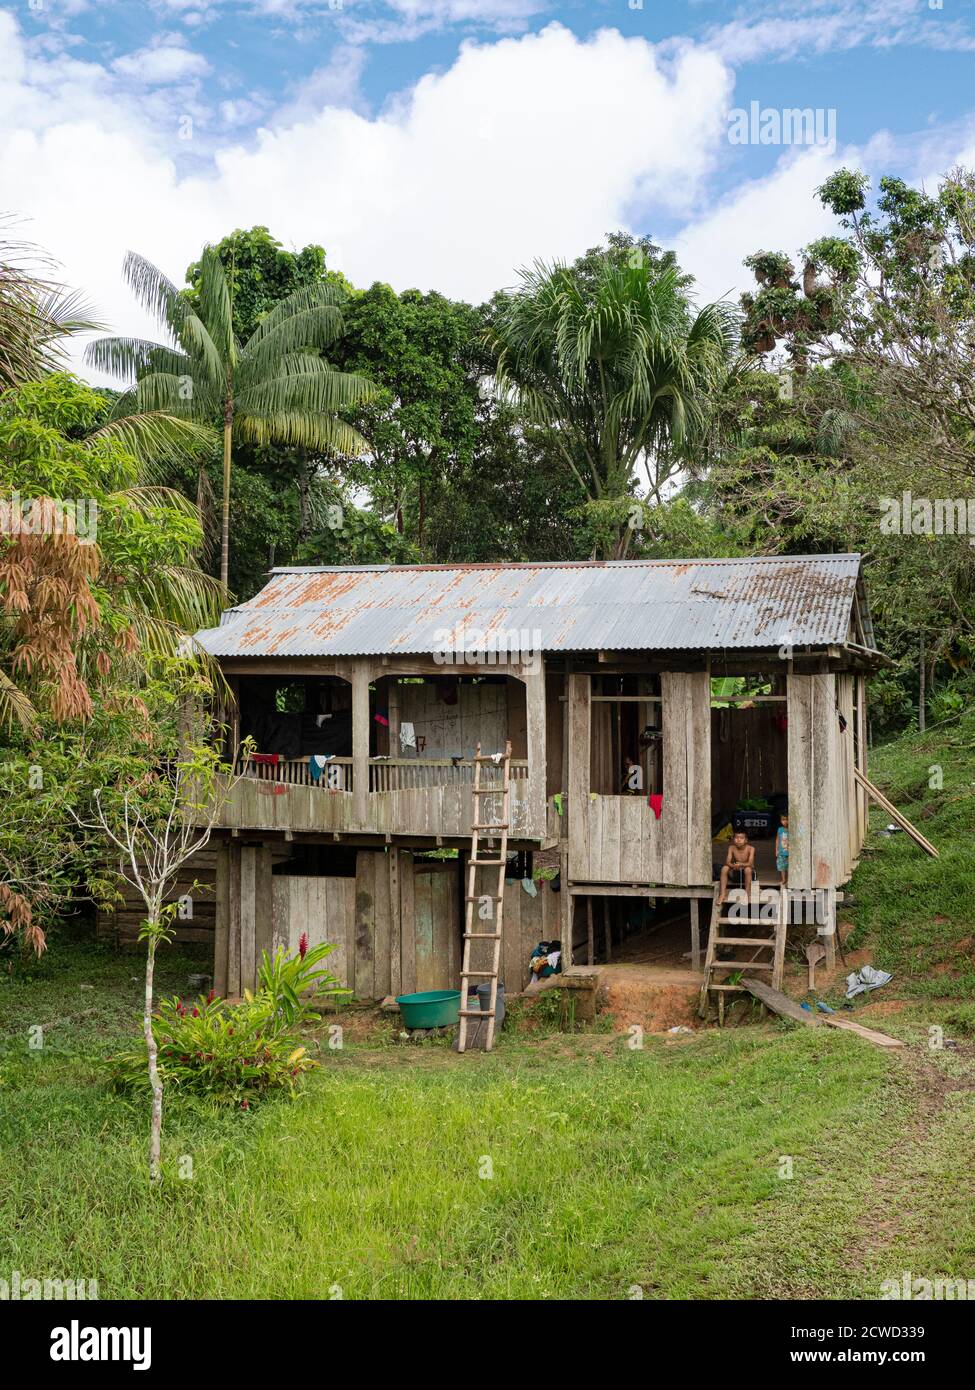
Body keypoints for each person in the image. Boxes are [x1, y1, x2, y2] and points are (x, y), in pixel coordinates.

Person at [719, 830, 754, 905]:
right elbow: (728, 862)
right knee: (724, 868)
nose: (738, 840)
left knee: (748, 869)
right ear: (733, 839)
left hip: (748, 873)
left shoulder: (751, 848)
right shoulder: (731, 848)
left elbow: (750, 863)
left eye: (741, 838)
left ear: (746, 840)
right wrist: (733, 866)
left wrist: (740, 864)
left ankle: (747, 894)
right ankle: (722, 894)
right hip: (736, 871)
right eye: (736, 838)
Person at [776, 813, 789, 886]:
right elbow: (777, 840)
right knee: (782, 866)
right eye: (783, 820)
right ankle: (783, 879)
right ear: (781, 821)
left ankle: (790, 880)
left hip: (790, 852)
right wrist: (776, 850)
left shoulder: (792, 830)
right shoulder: (780, 829)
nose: (785, 821)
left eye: (787, 819)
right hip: (781, 852)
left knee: (789, 866)